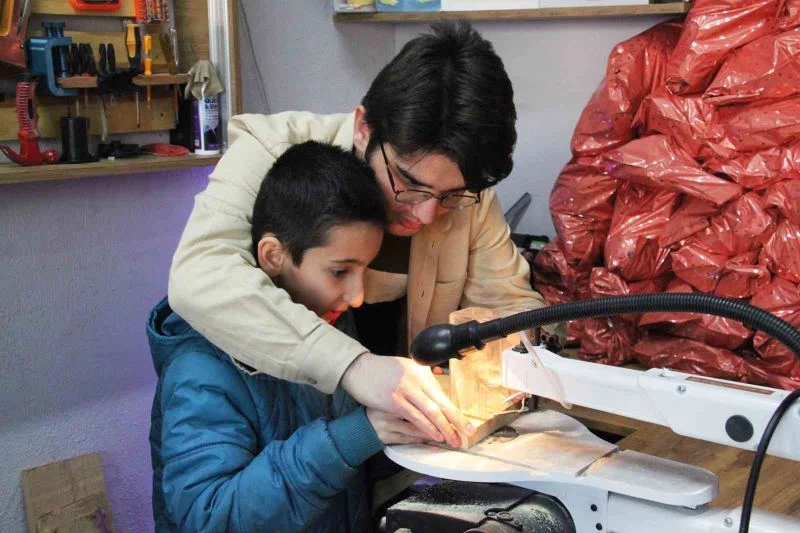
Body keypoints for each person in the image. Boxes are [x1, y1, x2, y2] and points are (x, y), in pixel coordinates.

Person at [168, 22, 553, 449]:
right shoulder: (276, 155)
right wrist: (353, 366)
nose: (426, 214)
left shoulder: (469, 193)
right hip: (290, 451)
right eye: (409, 183)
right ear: (363, 128)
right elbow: (199, 277)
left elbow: (511, 311)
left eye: (449, 196)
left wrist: (496, 369)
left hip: (391, 453)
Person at [149, 141, 428, 532]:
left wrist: (416, 425)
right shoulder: (201, 368)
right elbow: (209, 517)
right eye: (339, 271)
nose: (358, 295)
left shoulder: (328, 321)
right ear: (274, 256)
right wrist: (357, 434)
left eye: (364, 269)